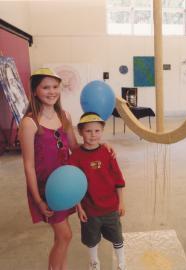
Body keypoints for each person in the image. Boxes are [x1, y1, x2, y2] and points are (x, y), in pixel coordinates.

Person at [19, 68, 115, 270]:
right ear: (35, 90)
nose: (51, 91)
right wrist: (38, 200)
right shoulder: (29, 122)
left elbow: (75, 148)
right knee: (65, 235)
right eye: (45, 87)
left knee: (60, 236)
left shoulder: (64, 116)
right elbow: (28, 166)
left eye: (55, 87)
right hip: (47, 189)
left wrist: (100, 144)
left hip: (67, 185)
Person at [69, 112, 126, 270]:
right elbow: (74, 186)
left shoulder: (108, 152)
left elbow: (118, 179)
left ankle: (121, 261)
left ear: (102, 131)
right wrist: (79, 208)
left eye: (97, 131)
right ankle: (94, 262)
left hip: (111, 207)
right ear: (80, 132)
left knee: (117, 236)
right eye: (88, 131)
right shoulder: (75, 157)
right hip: (89, 209)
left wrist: (121, 202)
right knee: (91, 239)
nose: (93, 135)